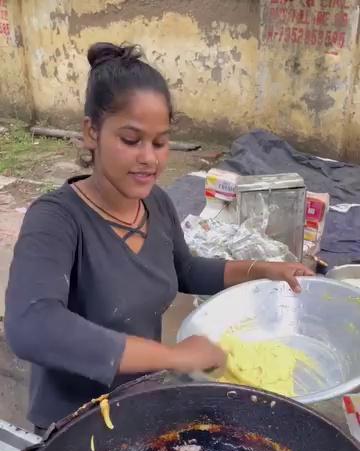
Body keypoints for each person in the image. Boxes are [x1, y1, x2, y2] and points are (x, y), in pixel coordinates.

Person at [5, 42, 313, 431]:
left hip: (140, 404)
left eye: (160, 142)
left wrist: (263, 269)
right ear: (91, 133)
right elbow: (31, 324)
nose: (149, 158)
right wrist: (173, 356)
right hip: (76, 427)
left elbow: (184, 269)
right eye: (131, 140)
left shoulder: (157, 204)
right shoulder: (57, 219)